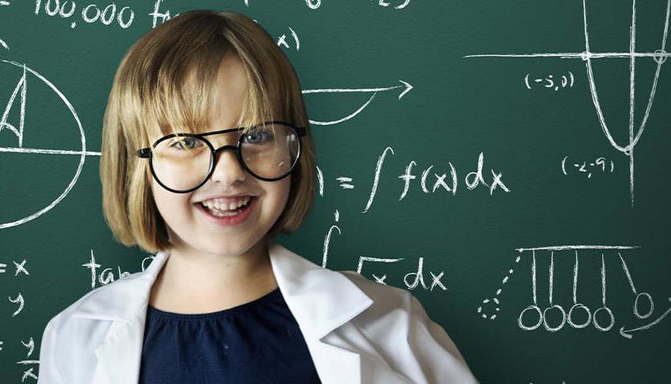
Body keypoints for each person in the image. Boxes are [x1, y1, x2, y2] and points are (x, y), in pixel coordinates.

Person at [38, 9, 477, 384]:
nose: (228, 172)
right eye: (187, 141)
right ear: (137, 164)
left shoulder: (388, 325)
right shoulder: (76, 338)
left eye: (258, 134)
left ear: (295, 147)